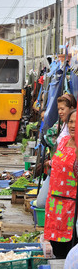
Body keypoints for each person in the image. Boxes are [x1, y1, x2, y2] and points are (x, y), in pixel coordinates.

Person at [43, 109, 78, 259]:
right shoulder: (63, 141)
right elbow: (59, 161)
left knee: (69, 246)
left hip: (71, 204)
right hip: (54, 202)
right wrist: (50, 163)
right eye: (70, 121)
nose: (72, 125)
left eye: (76, 122)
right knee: (56, 243)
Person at [36, 95, 77, 208]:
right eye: (58, 109)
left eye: (62, 109)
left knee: (45, 202)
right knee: (46, 203)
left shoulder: (71, 132)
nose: (59, 112)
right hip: (56, 171)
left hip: (66, 176)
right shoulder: (63, 126)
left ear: (72, 108)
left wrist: (51, 163)